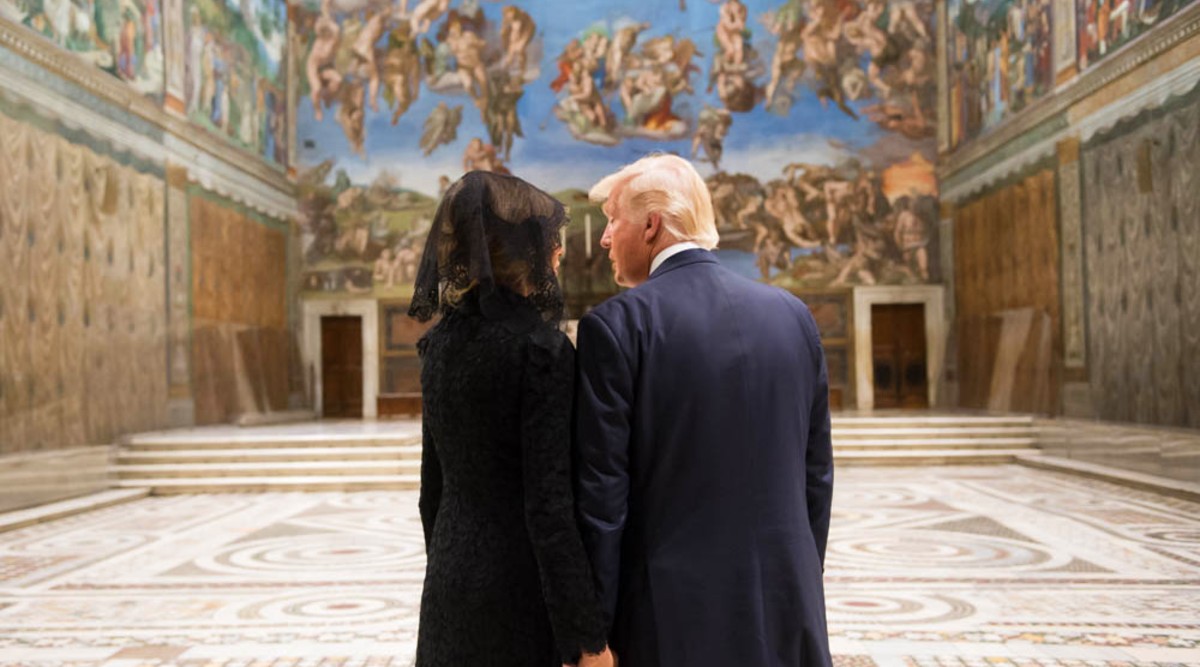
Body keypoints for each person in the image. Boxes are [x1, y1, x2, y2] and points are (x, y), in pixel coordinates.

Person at [575, 154, 834, 667]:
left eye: (612, 220)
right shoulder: (792, 315)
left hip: (672, 620)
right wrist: (799, 575)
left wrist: (593, 633)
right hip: (788, 605)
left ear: (650, 226)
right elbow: (816, 475)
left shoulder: (618, 325)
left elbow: (603, 495)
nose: (605, 238)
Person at [408, 172, 615, 667]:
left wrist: (449, 563)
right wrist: (586, 637)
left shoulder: (439, 344)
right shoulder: (540, 349)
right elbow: (548, 506)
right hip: (517, 587)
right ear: (526, 251)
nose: (559, 253)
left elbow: (430, 489)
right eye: (551, 241)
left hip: (449, 578)